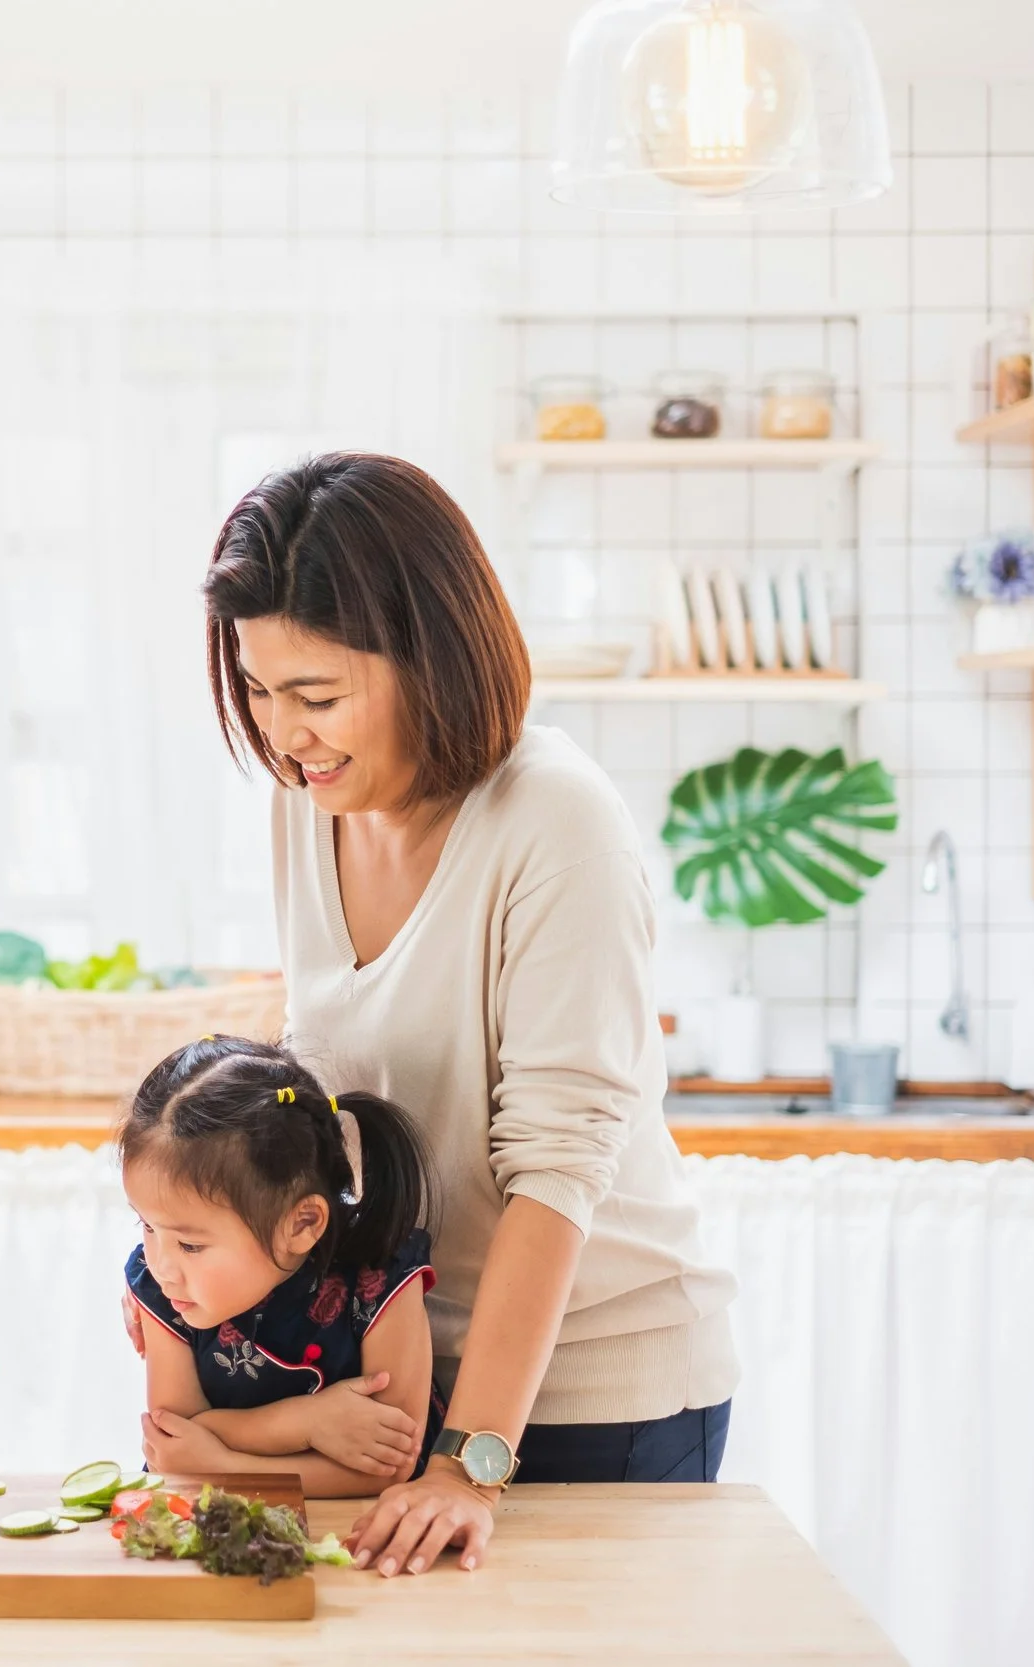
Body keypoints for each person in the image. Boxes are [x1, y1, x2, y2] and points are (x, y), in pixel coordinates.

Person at [176, 452, 739, 1576]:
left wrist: (471, 1458)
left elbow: (556, 1165)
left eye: (317, 695)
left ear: (429, 658)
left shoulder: (553, 820)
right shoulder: (313, 801)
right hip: (409, 1387)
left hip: (590, 1394)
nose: (283, 735)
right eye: (256, 689)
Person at [122, 1036, 437, 1498]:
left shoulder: (381, 1276)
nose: (161, 1266)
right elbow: (176, 1438)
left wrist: (222, 1464)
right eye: (146, 1226)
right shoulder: (161, 1288)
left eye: (190, 1245)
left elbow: (388, 1466)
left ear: (301, 1224)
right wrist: (308, 1423)